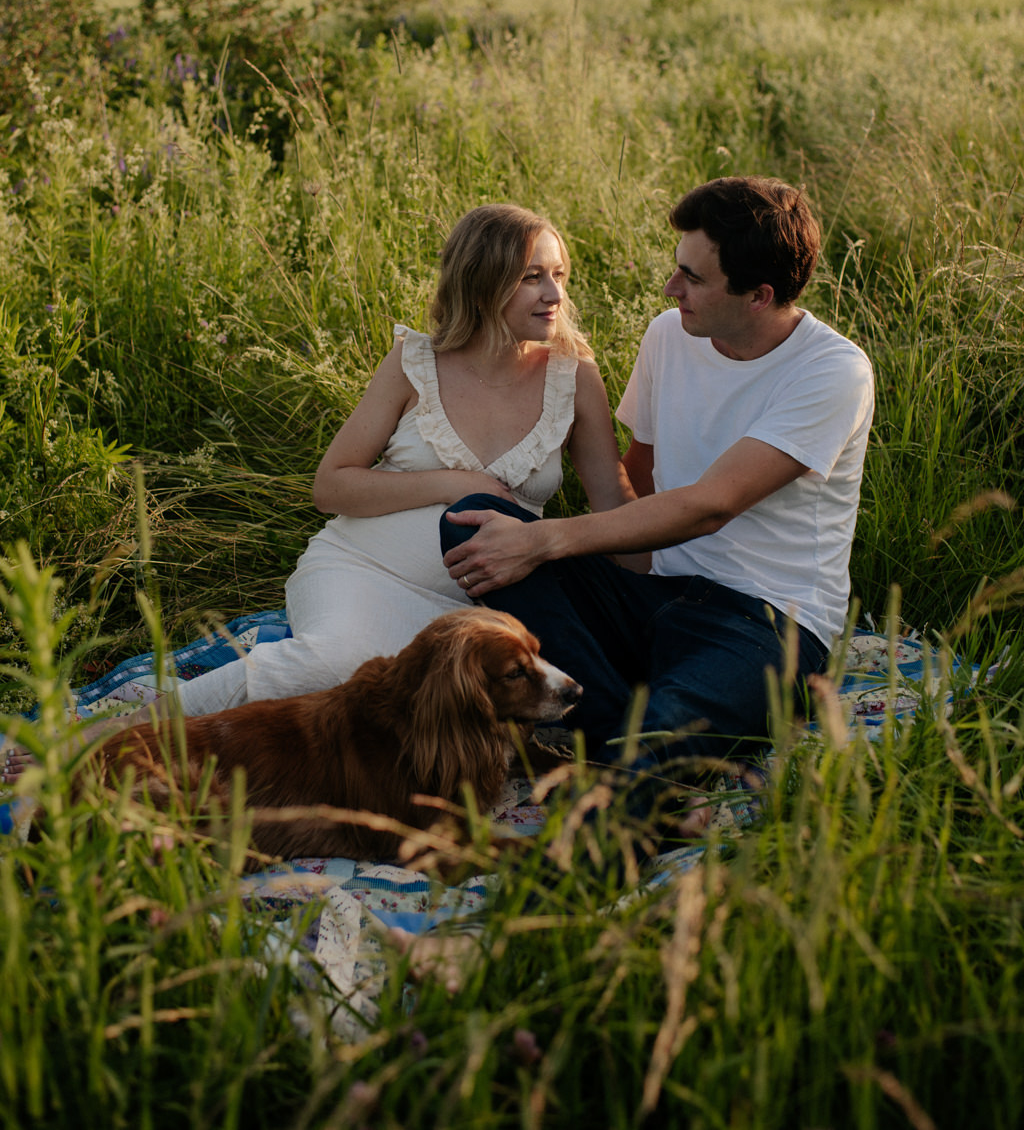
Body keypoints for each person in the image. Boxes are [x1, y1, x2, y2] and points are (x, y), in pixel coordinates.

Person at [440, 177, 875, 825]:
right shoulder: (670, 335)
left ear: (758, 297)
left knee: (658, 741)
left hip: (763, 622)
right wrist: (564, 561)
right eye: (677, 270)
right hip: (657, 595)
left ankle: (625, 787)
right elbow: (636, 475)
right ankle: (633, 728)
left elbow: (711, 504)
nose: (672, 290)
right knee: (473, 523)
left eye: (693, 279)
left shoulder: (832, 372)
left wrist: (546, 538)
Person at [109, 204, 632, 721]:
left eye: (559, 275)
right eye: (532, 277)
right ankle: (122, 733)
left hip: (486, 607)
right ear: (483, 282)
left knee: (449, 706)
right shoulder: (414, 364)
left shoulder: (574, 379)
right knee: (333, 664)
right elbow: (332, 486)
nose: (555, 295)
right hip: (364, 571)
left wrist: (641, 611)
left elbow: (613, 505)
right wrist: (451, 482)